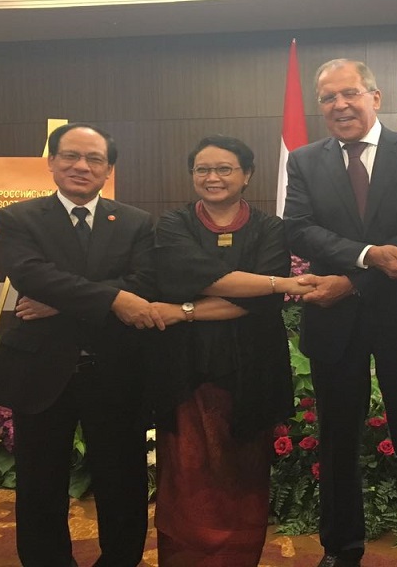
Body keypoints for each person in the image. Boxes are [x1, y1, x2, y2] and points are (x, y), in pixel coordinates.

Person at [283, 59, 397, 567]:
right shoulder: (306, 160)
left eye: (350, 93)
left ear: (376, 97)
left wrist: (355, 278)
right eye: (329, 98)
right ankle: (340, 548)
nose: (340, 105)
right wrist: (368, 257)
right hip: (334, 324)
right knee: (336, 439)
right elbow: (299, 228)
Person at [0, 123, 164, 567]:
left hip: (116, 369)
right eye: (70, 156)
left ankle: (120, 559)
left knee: (122, 479)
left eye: (94, 159)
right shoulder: (18, 217)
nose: (81, 166)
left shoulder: (137, 222)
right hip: (42, 370)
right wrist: (113, 297)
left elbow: (145, 282)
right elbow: (31, 275)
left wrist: (62, 303)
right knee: (40, 481)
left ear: (108, 170)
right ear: (51, 163)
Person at [144, 135, 315, 566]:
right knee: (184, 472)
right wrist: (276, 283)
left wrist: (182, 309)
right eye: (203, 169)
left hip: (250, 371)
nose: (213, 177)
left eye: (225, 169)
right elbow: (191, 275)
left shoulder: (271, 227)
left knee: (244, 472)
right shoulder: (172, 223)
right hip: (185, 371)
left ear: (247, 175)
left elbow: (255, 302)